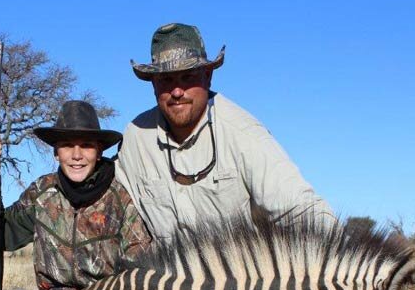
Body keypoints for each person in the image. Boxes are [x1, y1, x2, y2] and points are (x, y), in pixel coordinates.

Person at [116, 23, 334, 241]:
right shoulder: (136, 137)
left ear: (208, 75)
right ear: (153, 83)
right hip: (167, 272)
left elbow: (303, 211)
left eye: (188, 76)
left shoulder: (243, 132)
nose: (177, 91)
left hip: (242, 273)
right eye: (166, 79)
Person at [0, 100, 151, 290]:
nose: (77, 155)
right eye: (67, 145)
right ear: (56, 153)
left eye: (86, 145)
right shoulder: (42, 191)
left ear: (99, 152)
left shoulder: (121, 198)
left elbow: (139, 271)